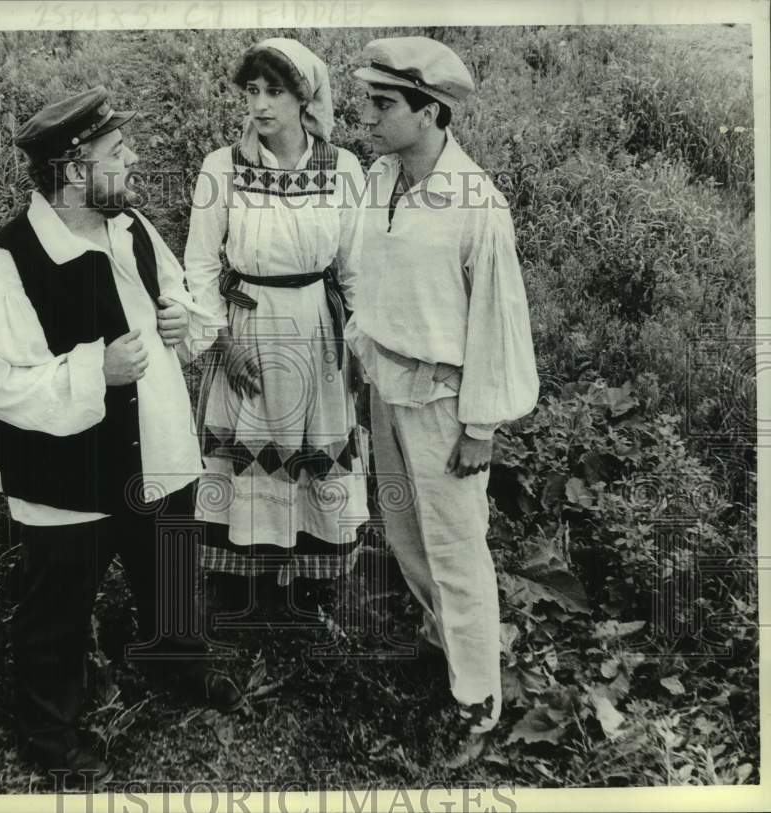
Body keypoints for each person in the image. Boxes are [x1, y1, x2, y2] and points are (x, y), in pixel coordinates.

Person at [0, 86, 243, 785]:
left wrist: (181, 325)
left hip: (155, 443)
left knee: (168, 563)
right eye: (119, 153)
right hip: (68, 472)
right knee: (56, 607)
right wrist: (98, 369)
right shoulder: (5, 268)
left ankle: (176, 659)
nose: (136, 160)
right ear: (74, 167)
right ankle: (49, 732)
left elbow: (176, 300)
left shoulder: (132, 229)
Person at [347, 37, 539, 756]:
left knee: (458, 549)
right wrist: (358, 352)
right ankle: (442, 646)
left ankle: (477, 702)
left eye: (383, 103)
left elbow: (497, 318)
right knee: (405, 533)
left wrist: (481, 424)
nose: (367, 114)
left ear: (430, 112)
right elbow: (371, 276)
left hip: (443, 401)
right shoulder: (379, 177)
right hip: (386, 387)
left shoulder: (476, 205)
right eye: (370, 99)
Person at [182, 38, 370, 612]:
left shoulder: (341, 169)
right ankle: (243, 583)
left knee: (314, 445)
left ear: (304, 98)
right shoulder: (223, 167)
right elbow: (201, 263)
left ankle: (309, 583)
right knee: (249, 449)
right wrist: (221, 341)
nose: (260, 105)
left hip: (315, 328)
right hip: (249, 326)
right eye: (252, 91)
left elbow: (357, 267)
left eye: (275, 91)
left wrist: (360, 346)